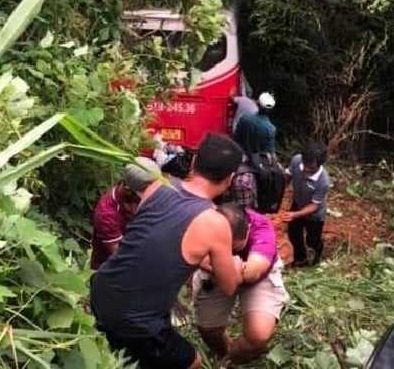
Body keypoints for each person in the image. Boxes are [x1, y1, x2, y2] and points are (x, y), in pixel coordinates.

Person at [90, 133, 246, 369]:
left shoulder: (157, 186)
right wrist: (235, 264)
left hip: (101, 290)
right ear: (230, 178)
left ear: (193, 163)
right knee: (192, 362)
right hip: (135, 318)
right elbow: (228, 285)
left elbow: (159, 240)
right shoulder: (215, 223)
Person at [193, 204, 288, 364]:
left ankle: (228, 361)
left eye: (234, 248)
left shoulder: (261, 228)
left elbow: (253, 272)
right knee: (209, 330)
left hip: (258, 279)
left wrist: (215, 261)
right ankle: (222, 353)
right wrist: (232, 264)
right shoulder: (203, 222)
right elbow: (195, 254)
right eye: (221, 248)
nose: (227, 252)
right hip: (215, 275)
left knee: (257, 337)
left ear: (249, 229)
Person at [90, 157, 161, 269]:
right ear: (127, 188)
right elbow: (120, 256)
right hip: (112, 269)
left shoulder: (139, 198)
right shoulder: (106, 213)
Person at [282, 142, 330, 267]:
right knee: (293, 233)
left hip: (314, 215)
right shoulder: (297, 160)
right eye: (305, 165)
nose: (307, 170)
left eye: (312, 168)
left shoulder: (323, 181)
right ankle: (301, 259)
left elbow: (314, 206)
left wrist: (295, 214)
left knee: (312, 240)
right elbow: (287, 176)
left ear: (320, 164)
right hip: (298, 204)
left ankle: (317, 255)